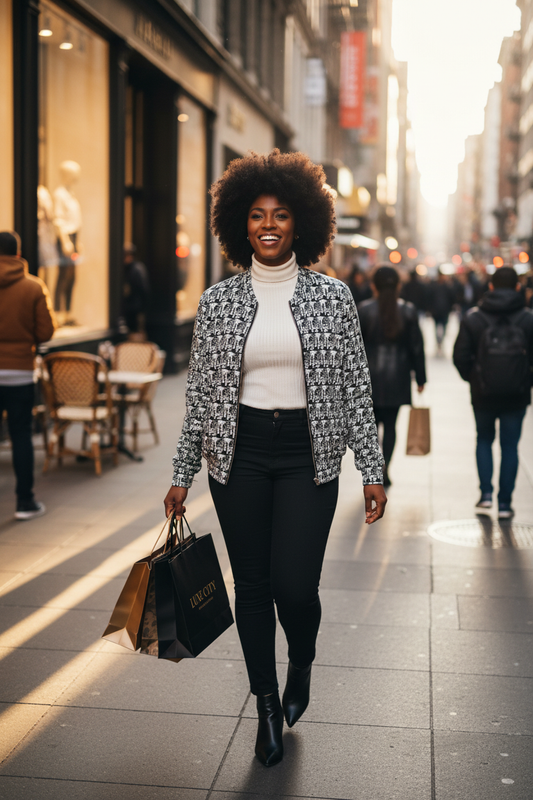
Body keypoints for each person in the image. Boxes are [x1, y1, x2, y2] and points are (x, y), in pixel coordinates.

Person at [164, 150, 386, 767]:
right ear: (241, 223)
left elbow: (356, 387)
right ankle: (265, 700)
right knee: (254, 587)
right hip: (239, 453)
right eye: (257, 215)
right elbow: (201, 395)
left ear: (301, 224)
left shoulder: (333, 298)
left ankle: (303, 662)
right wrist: (182, 475)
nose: (268, 224)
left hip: (308, 454)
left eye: (281, 215)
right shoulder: (217, 302)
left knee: (295, 587)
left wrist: (372, 469)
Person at [453, 266, 533, 518]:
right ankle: (506, 503)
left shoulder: (474, 317)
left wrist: (475, 378)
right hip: (517, 394)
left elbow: (460, 357)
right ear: (518, 287)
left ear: (490, 286)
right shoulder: (528, 319)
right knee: (511, 446)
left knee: (484, 439)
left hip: (483, 393)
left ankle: (485, 494)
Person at [0, 231, 56, 519]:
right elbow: (46, 331)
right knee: (21, 435)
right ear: (18, 253)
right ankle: (24, 502)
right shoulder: (33, 287)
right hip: (19, 373)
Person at [358, 265, 427, 487]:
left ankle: (372, 470)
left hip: (369, 378)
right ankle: (385, 467)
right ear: (398, 286)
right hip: (398, 377)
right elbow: (417, 347)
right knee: (391, 426)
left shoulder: (364, 310)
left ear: (373, 286)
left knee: (370, 428)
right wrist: (421, 378)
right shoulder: (407, 311)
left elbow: (352, 348)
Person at [122, 243, 150, 335]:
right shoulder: (124, 269)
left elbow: (143, 290)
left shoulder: (137, 269)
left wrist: (142, 310)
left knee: (136, 333)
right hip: (127, 308)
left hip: (135, 308)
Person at [427, 268, 456, 353]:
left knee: (442, 326)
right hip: (438, 310)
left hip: (444, 310)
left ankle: (440, 341)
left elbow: (451, 297)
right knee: (437, 327)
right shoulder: (438, 286)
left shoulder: (445, 286)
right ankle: (439, 341)